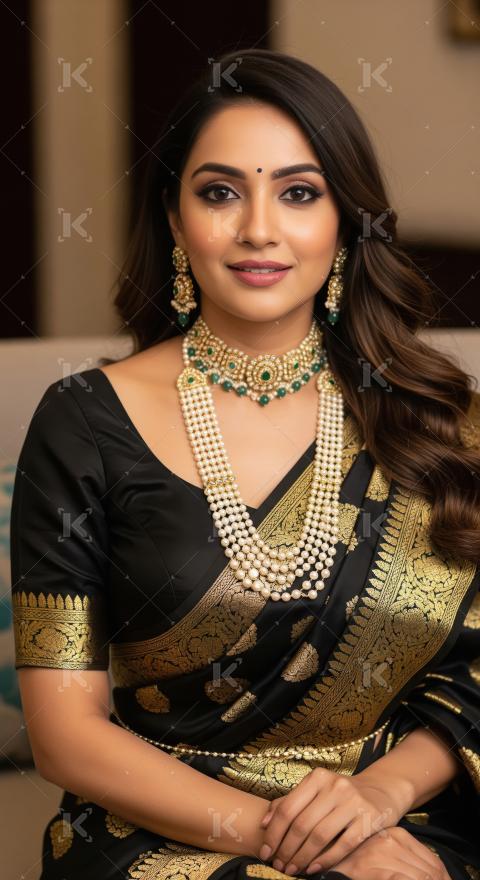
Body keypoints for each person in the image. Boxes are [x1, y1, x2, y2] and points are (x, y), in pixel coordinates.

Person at [10, 47, 480, 880]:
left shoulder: (436, 419)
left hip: (408, 819)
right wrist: (291, 838)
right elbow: (66, 735)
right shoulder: (83, 421)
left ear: (345, 222)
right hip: (163, 829)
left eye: (299, 193)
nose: (258, 227)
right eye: (220, 192)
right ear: (173, 216)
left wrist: (376, 802)